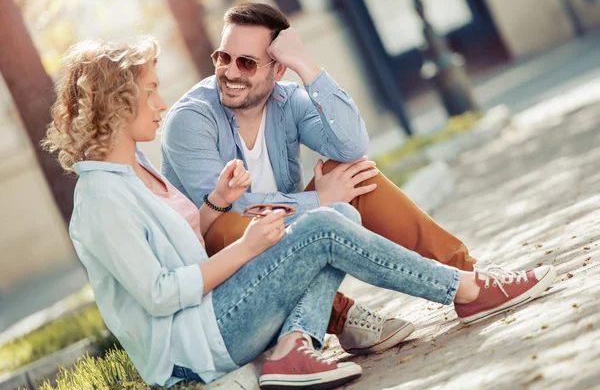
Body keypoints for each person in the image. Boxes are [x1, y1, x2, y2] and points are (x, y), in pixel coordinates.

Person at [44, 36, 557, 390]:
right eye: (150, 89)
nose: (160, 100)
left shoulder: (135, 167)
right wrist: (248, 246)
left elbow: (183, 241)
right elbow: (159, 294)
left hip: (218, 313)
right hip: (192, 349)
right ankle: (465, 290)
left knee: (338, 221)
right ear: (117, 102)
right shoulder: (101, 202)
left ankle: (295, 347)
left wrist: (217, 204)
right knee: (327, 226)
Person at [160, 3, 478, 354]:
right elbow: (227, 206)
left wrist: (308, 67)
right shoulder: (191, 120)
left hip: (283, 231)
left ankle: (470, 275)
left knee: (353, 175)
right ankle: (343, 316)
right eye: (224, 57)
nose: (230, 72)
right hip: (216, 259)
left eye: (247, 62)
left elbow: (352, 146)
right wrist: (319, 202)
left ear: (278, 69)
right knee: (232, 225)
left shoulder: (288, 100)